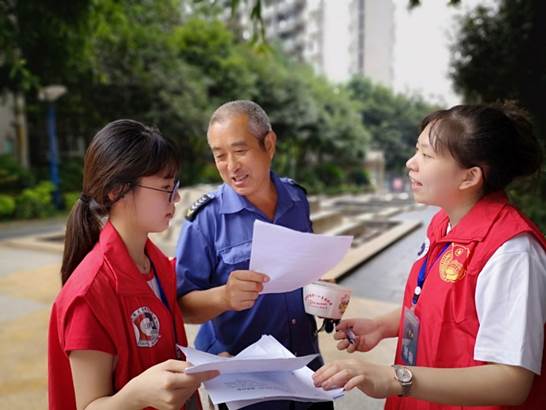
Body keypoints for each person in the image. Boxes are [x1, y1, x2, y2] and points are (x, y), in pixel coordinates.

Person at [312, 102, 546, 409]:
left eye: (427, 155)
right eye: (416, 150)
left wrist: (393, 378)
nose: (411, 163)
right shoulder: (443, 223)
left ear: (469, 177)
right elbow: (438, 307)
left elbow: (511, 382)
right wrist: (382, 326)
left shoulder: (512, 253)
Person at [48, 119, 218, 410]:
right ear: (116, 191)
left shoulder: (157, 265)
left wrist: (209, 368)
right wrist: (135, 396)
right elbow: (88, 405)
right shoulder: (90, 294)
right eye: (166, 187)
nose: (176, 197)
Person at [175, 100, 333, 410]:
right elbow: (182, 306)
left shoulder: (296, 199)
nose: (231, 166)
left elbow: (303, 268)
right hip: (245, 385)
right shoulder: (204, 221)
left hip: (308, 371)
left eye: (240, 151)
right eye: (220, 156)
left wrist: (321, 291)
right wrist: (224, 297)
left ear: (269, 144)